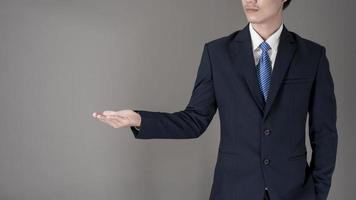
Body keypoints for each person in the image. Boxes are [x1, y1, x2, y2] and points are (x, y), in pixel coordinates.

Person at [92, 0, 338, 199]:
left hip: (293, 192)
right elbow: (194, 120)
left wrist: (317, 193)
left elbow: (325, 134)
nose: (249, 0)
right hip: (233, 191)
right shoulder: (217, 53)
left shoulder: (312, 56)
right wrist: (139, 119)